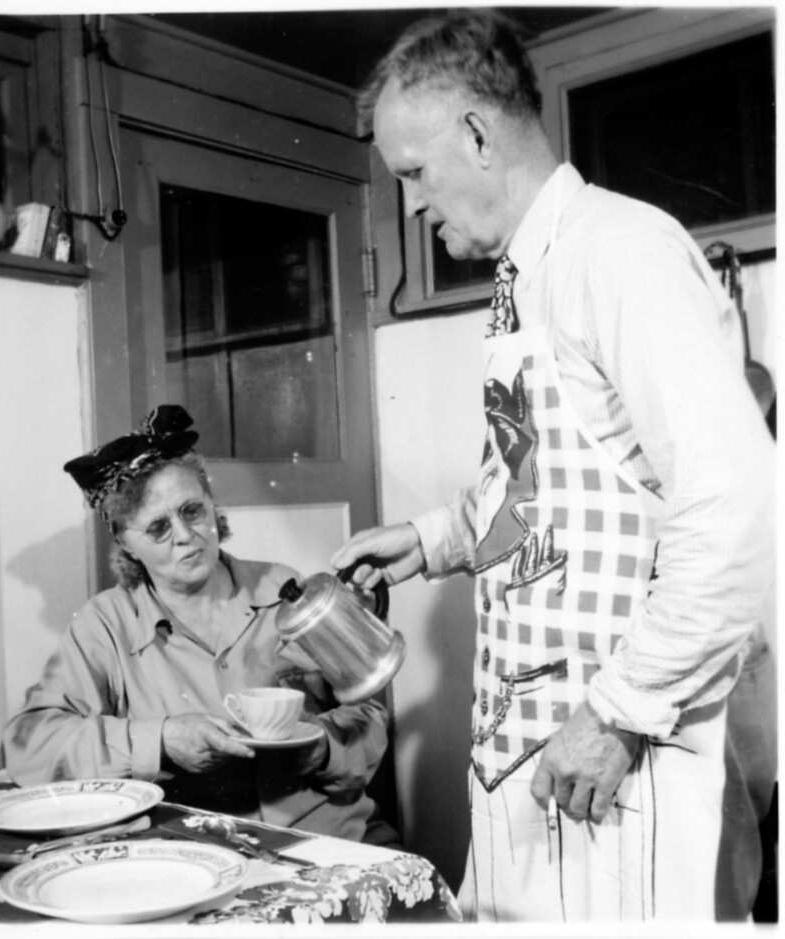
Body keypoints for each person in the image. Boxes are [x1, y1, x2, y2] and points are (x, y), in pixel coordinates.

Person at [332, 10, 776, 922]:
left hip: (624, 761)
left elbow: (738, 509)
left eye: (414, 173)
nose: (413, 201)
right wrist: (430, 539)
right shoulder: (522, 281)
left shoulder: (619, 253)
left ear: (479, 133)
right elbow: (536, 486)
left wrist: (619, 713)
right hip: (533, 745)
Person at [3, 404, 397, 845]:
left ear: (213, 507)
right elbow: (27, 746)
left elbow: (368, 714)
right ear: (126, 545)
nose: (185, 534)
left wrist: (323, 748)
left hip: (330, 840)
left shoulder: (281, 587)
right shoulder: (106, 626)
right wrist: (161, 741)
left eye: (192, 510)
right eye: (157, 527)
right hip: (199, 858)